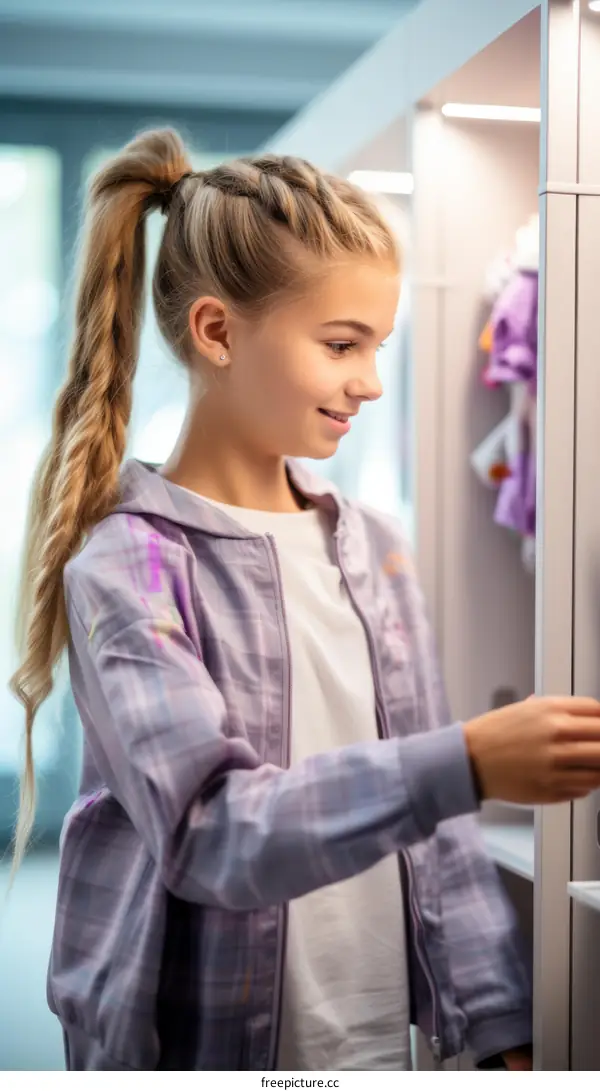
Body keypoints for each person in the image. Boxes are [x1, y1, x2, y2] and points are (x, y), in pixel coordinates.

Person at [9, 128, 600, 1074]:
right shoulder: (132, 564)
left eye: (377, 346)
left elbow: (441, 835)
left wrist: (499, 1030)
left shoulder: (375, 548)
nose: (369, 380)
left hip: (377, 1044)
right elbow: (210, 831)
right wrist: (469, 760)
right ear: (217, 331)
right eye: (340, 344)